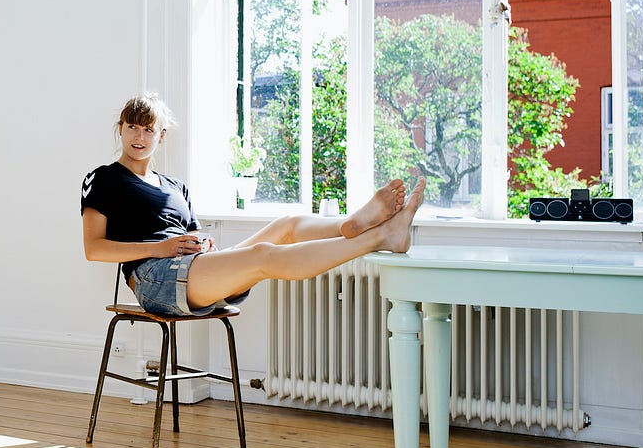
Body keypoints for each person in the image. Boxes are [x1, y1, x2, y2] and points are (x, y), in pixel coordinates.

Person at [81, 93, 423, 317]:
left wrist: (203, 240)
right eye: (132, 128)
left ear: (162, 136)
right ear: (121, 130)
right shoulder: (105, 178)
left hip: (197, 267)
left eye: (148, 130)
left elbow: (191, 231)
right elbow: (94, 250)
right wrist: (159, 248)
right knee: (263, 255)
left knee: (287, 224)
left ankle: (349, 224)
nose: (139, 137)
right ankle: (380, 238)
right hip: (155, 280)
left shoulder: (175, 186)